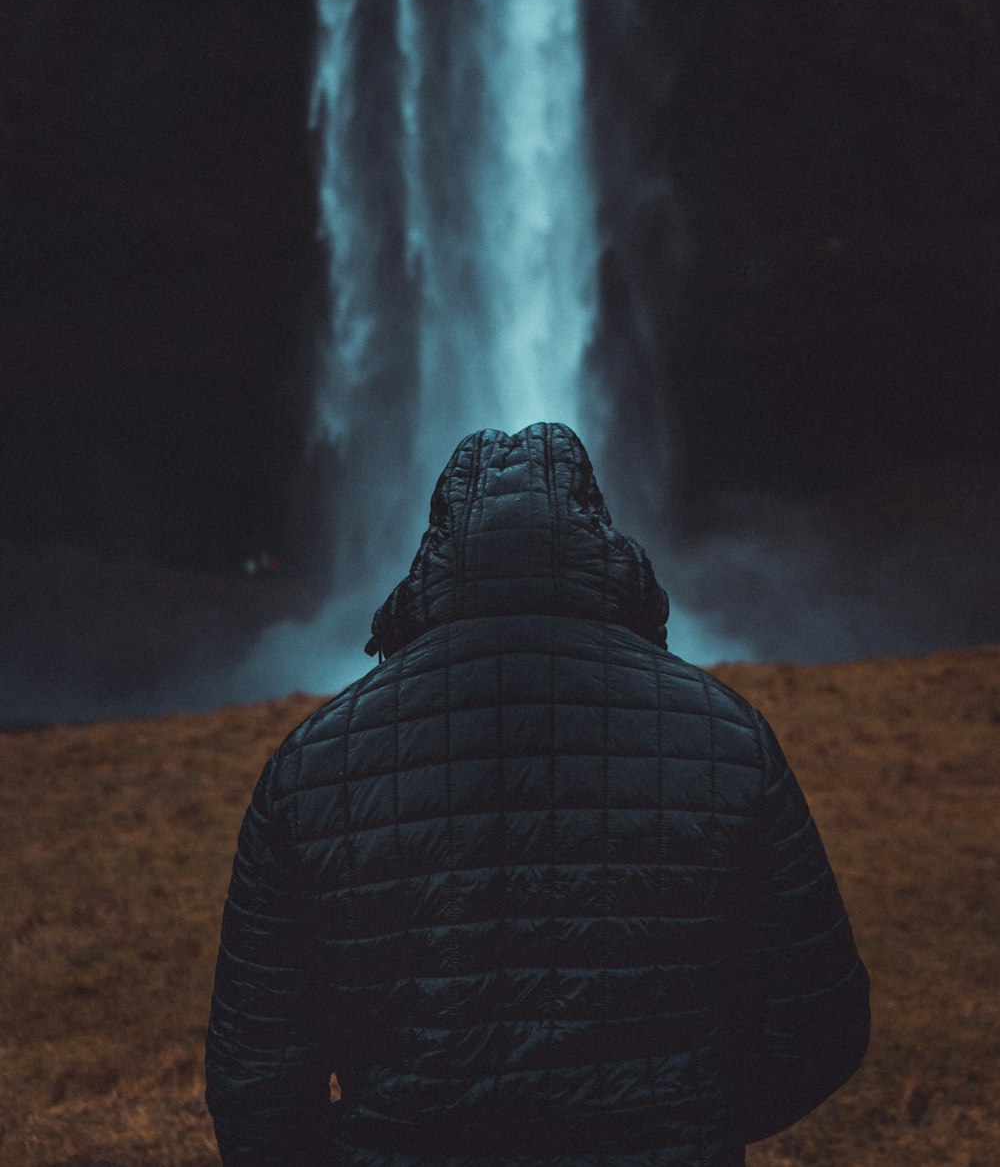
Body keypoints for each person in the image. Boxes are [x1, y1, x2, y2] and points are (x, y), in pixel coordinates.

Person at [205, 422, 870, 1166]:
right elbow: (821, 1022)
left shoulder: (308, 765)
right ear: (598, 532)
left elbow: (255, 1069)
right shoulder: (730, 738)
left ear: (436, 545)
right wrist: (686, 1119)